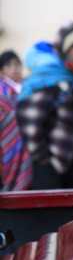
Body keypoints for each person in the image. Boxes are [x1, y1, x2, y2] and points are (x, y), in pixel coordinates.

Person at [16, 22, 73, 190]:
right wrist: (44, 159)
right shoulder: (49, 79)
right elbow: (29, 120)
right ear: (64, 50)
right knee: (52, 215)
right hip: (50, 167)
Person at [0, 50, 31, 190]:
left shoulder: (28, 87)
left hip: (28, 143)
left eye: (17, 64)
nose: (15, 68)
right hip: (6, 144)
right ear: (2, 70)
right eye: (9, 65)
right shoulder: (1, 90)